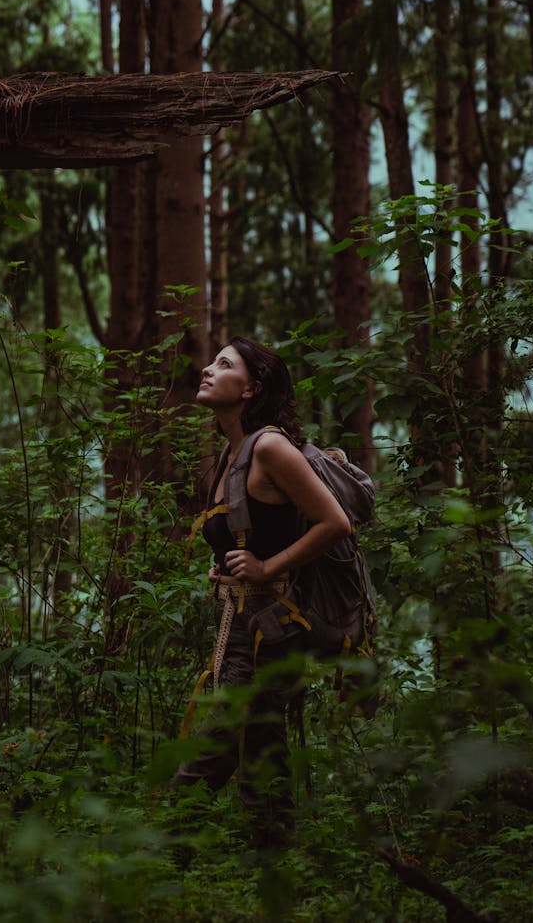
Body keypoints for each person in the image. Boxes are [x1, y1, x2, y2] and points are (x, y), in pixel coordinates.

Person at [174, 337, 351, 844]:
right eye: (211, 362)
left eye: (224, 365)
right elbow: (252, 531)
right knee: (260, 750)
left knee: (221, 744)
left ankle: (160, 859)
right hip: (244, 623)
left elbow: (335, 522)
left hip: (270, 629)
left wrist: (266, 565)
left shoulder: (269, 447)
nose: (207, 369)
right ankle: (274, 867)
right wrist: (229, 569)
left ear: (251, 388)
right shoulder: (232, 452)